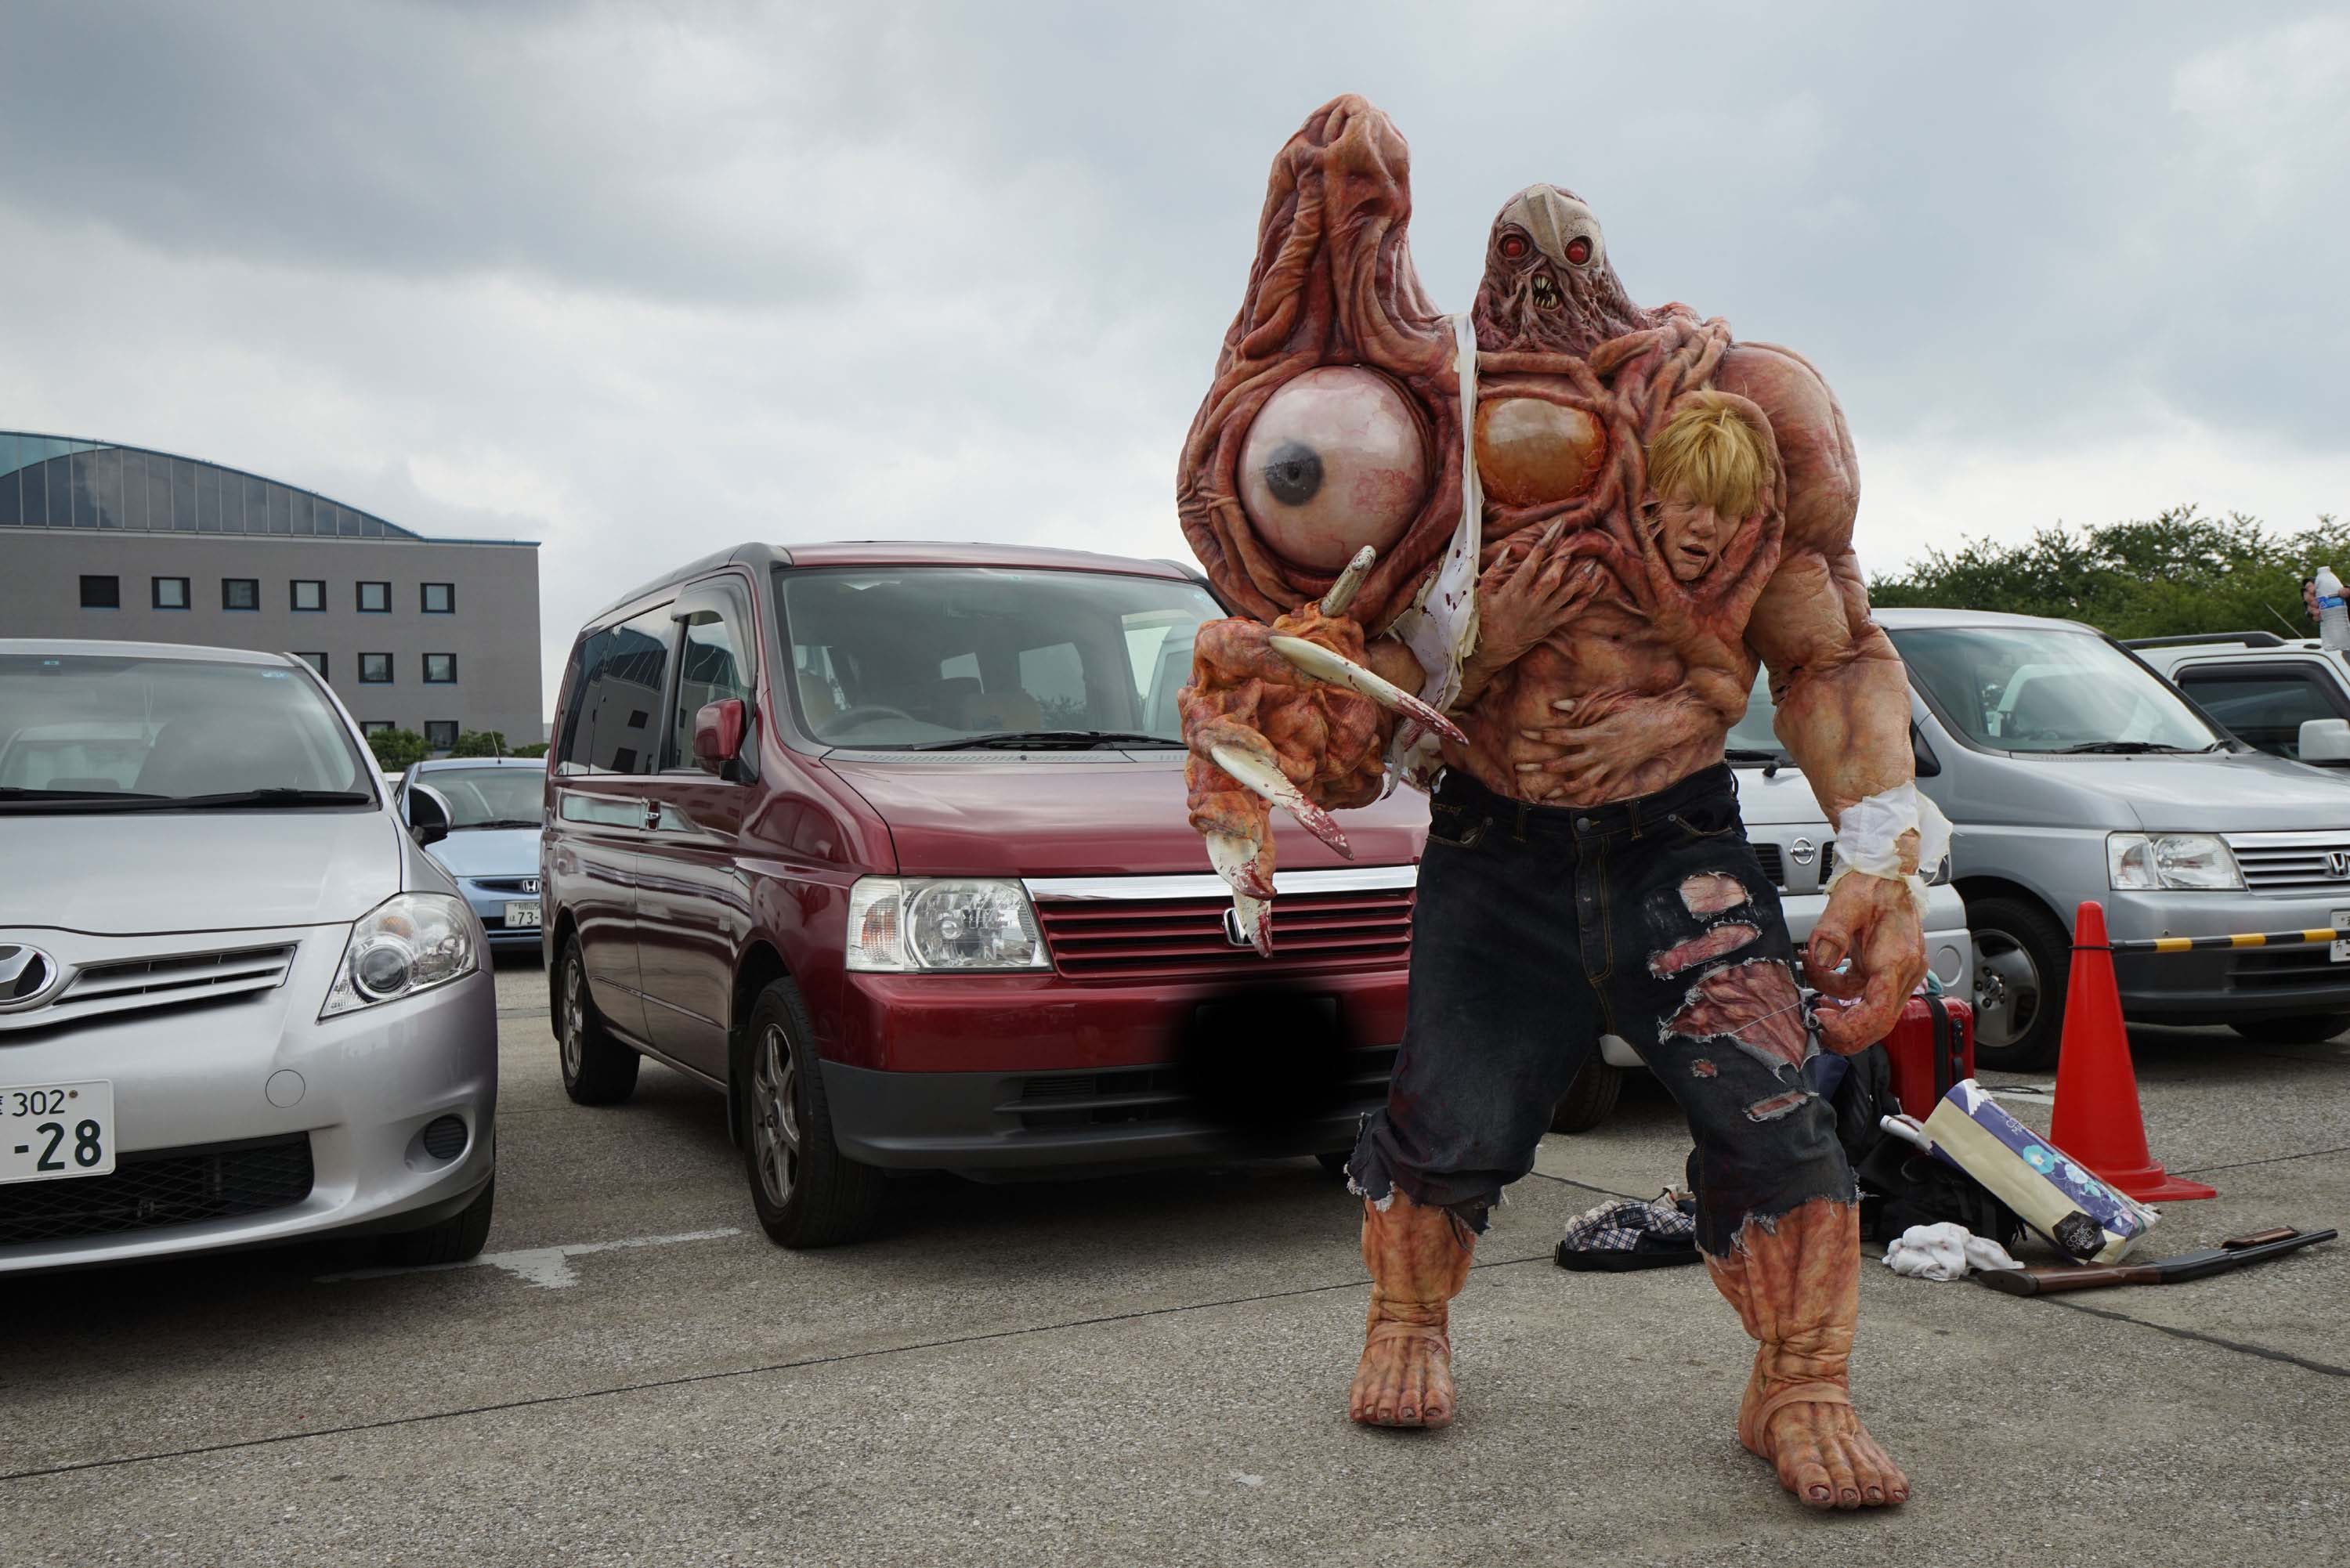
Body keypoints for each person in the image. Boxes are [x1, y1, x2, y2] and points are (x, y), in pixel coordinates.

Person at [1175, 96, 1944, 1512]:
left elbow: (1831, 650)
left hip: (1677, 840)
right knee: (1446, 1121)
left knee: (1776, 1121)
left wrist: (1883, 859)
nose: (1540, 260)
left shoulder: (1732, 410)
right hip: (1496, 838)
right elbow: (1357, 696)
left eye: (1567, 246)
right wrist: (1476, 650)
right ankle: (1407, 1317)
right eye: (1515, 248)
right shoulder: (1424, 444)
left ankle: (1804, 1380)